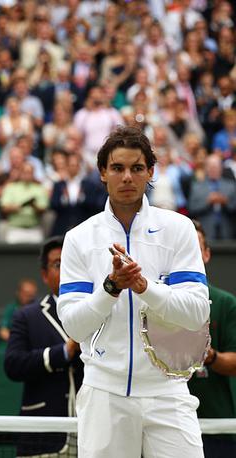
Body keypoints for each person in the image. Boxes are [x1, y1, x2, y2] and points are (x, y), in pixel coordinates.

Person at [57, 126, 210, 458]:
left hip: (168, 391)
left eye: (137, 168)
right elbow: (73, 326)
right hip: (103, 393)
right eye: (117, 168)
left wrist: (143, 287)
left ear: (150, 172)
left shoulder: (179, 228)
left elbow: (198, 312)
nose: (127, 177)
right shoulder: (78, 238)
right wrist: (111, 288)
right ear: (102, 173)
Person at [4, 236, 83, 457]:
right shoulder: (26, 316)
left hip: (93, 432)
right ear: (44, 274)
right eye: (58, 264)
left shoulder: (102, 309)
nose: (66, 268)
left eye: (72, 261)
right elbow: (13, 365)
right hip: (42, 436)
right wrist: (64, 352)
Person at [188, 220, 236, 458]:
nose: (189, 254)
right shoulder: (153, 300)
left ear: (206, 254)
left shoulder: (226, 303)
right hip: (163, 421)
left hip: (218, 426)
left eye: (194, 248)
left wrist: (209, 355)